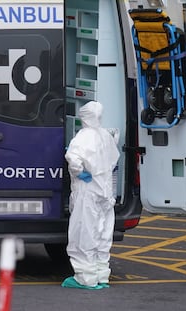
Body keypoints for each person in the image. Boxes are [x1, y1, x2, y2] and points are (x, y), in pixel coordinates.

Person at [62, 101, 120, 290]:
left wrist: (80, 173)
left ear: (84, 117)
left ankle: (85, 278)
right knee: (103, 234)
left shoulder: (82, 137)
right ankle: (102, 275)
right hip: (105, 191)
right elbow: (113, 159)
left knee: (84, 233)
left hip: (87, 191)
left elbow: (74, 160)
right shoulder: (106, 136)